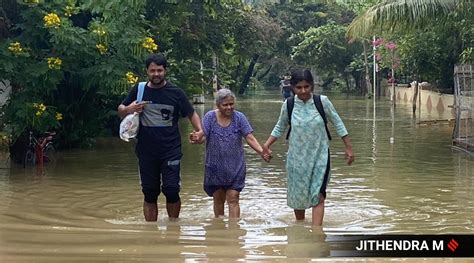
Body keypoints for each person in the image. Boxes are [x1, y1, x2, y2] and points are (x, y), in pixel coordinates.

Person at [118, 53, 204, 222]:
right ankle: (151, 232)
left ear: (165, 71)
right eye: (152, 71)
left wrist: (200, 131)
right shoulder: (139, 90)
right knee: (149, 192)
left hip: (170, 149)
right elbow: (120, 109)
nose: (156, 74)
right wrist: (130, 108)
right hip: (146, 150)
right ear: (147, 72)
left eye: (159, 70)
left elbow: (191, 113)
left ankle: (174, 228)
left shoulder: (176, 93)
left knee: (171, 190)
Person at [263, 69, 354, 226]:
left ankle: (317, 234)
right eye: (299, 87)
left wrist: (348, 148)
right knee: (298, 197)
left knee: (318, 194)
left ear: (312, 86)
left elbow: (338, 123)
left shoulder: (322, 102)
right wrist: (265, 146)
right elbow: (280, 127)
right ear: (292, 88)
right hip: (296, 159)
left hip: (320, 157)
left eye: (306, 86)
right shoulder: (289, 105)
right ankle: (300, 229)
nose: (303, 91)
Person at [190, 89, 270, 219]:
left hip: (235, 167)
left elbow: (249, 137)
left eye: (231, 104)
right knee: (218, 199)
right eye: (225, 105)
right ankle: (220, 228)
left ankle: (234, 231)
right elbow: (202, 137)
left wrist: (262, 152)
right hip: (214, 167)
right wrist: (196, 139)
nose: (229, 107)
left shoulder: (239, 118)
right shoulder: (210, 117)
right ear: (218, 105)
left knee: (233, 198)